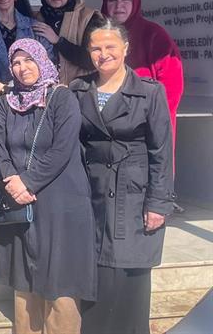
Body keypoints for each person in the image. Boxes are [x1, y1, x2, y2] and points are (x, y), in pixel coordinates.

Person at [71, 19, 174, 334]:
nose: (103, 54)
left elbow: (161, 151)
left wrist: (158, 203)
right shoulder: (79, 90)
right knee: (96, 275)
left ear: (126, 48)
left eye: (110, 46)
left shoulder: (149, 92)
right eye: (96, 48)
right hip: (92, 193)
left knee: (130, 275)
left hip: (134, 195)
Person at [0, 38, 96, 334]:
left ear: (42, 60)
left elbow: (62, 148)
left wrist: (27, 182)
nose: (22, 67)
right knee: (25, 278)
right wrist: (13, 182)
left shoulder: (62, 98)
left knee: (59, 276)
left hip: (60, 199)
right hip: (20, 200)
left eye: (29, 60)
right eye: (16, 62)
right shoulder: (7, 102)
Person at [101, 0, 183, 159]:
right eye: (112, 0)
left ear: (135, 2)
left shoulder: (154, 34)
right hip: (105, 127)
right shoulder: (99, 36)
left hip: (147, 126)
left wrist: (151, 117)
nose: (119, 6)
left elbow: (172, 87)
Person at [34, 0, 102, 84]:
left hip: (80, 90)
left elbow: (94, 61)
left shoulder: (90, 17)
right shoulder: (37, 19)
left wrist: (58, 41)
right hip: (45, 91)